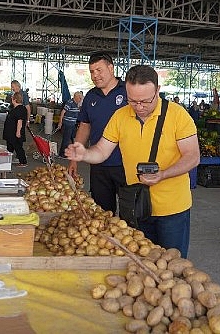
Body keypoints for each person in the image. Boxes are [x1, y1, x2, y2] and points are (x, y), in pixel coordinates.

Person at [65, 65, 199, 255]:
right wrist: (84, 154)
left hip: (172, 209)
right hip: (137, 205)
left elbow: (193, 157)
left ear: (157, 91)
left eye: (145, 101)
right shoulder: (121, 116)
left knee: (173, 267)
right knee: (140, 264)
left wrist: (163, 174)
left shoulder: (178, 115)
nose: (139, 107)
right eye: (133, 101)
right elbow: (102, 151)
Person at [68, 52, 127, 213]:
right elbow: (84, 127)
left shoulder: (128, 91)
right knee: (101, 213)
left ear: (111, 68)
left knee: (131, 214)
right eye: (92, 72)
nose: (95, 76)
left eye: (99, 70)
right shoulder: (90, 96)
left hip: (126, 164)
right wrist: (74, 159)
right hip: (98, 165)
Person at [3, 91, 28, 167]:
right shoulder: (16, 108)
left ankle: (23, 162)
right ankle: (7, 161)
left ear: (14, 99)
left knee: (18, 147)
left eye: (12, 98)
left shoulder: (19, 109)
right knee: (10, 147)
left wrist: (18, 132)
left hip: (14, 133)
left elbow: (19, 121)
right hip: (10, 133)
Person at [57, 91, 83, 157]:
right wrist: (60, 122)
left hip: (72, 124)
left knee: (73, 138)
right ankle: (62, 154)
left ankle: (72, 151)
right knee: (66, 139)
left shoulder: (76, 104)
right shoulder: (70, 102)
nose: (80, 100)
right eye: (80, 98)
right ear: (76, 97)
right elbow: (63, 112)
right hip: (67, 124)